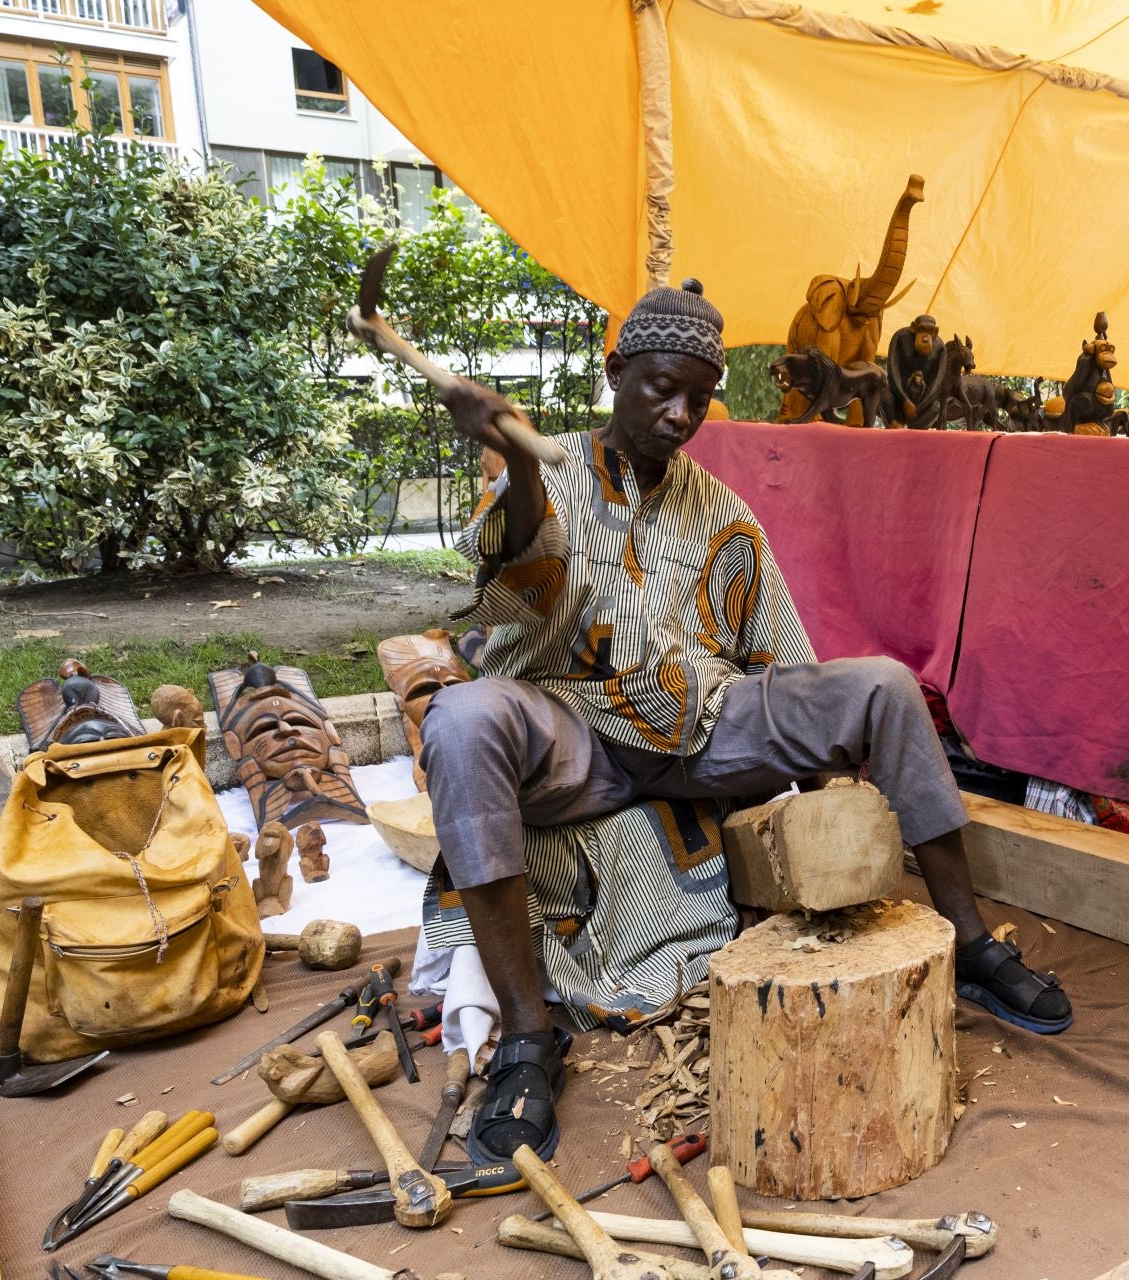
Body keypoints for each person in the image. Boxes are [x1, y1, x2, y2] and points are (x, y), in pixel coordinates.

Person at [424, 279, 1071, 1165]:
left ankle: (970, 942)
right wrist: (521, 462)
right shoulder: (553, 471)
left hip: (704, 730)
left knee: (881, 685)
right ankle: (532, 1043)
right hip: (572, 731)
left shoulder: (725, 514)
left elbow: (782, 666)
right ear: (615, 373)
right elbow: (522, 563)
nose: (682, 413)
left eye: (699, 394)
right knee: (463, 720)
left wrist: (823, 810)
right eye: (660, 387)